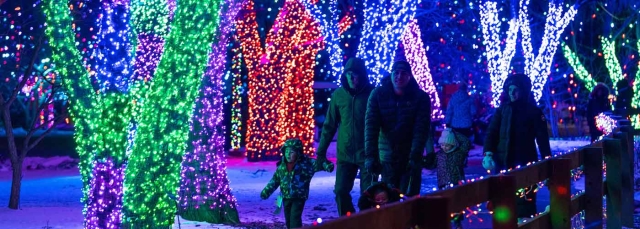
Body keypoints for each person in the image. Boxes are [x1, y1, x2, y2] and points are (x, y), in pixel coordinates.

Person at [482, 74, 551, 219]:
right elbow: (492, 132)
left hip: (525, 163)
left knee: (524, 202)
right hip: (503, 163)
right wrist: (488, 152)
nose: (512, 93)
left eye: (516, 89)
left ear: (524, 91)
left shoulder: (534, 112)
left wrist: (547, 161)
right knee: (503, 203)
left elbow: (542, 140)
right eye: (510, 89)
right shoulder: (502, 110)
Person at [316, 57, 375, 216]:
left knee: (368, 196)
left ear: (362, 75)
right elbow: (329, 126)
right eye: (348, 74)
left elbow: (382, 123)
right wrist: (321, 152)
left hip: (367, 153)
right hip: (345, 153)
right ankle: (348, 222)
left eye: (355, 74)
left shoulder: (372, 94)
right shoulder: (339, 95)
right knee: (341, 191)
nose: (351, 77)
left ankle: (366, 224)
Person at [364, 60, 431, 196]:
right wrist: (371, 156)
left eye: (404, 73)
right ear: (391, 74)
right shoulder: (378, 95)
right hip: (387, 155)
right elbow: (371, 127)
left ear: (409, 76)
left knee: (408, 198)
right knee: (387, 196)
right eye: (396, 73)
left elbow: (421, 129)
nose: (399, 76)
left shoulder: (420, 97)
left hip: (409, 156)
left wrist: (414, 156)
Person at [260, 138, 334, 229]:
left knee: (295, 218)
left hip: (299, 197)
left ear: (298, 153)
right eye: (286, 152)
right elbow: (275, 180)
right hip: (286, 197)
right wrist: (266, 192)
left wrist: (328, 166)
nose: (288, 154)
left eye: (291, 152)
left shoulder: (306, 164)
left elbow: (318, 164)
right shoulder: (282, 166)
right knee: (288, 220)